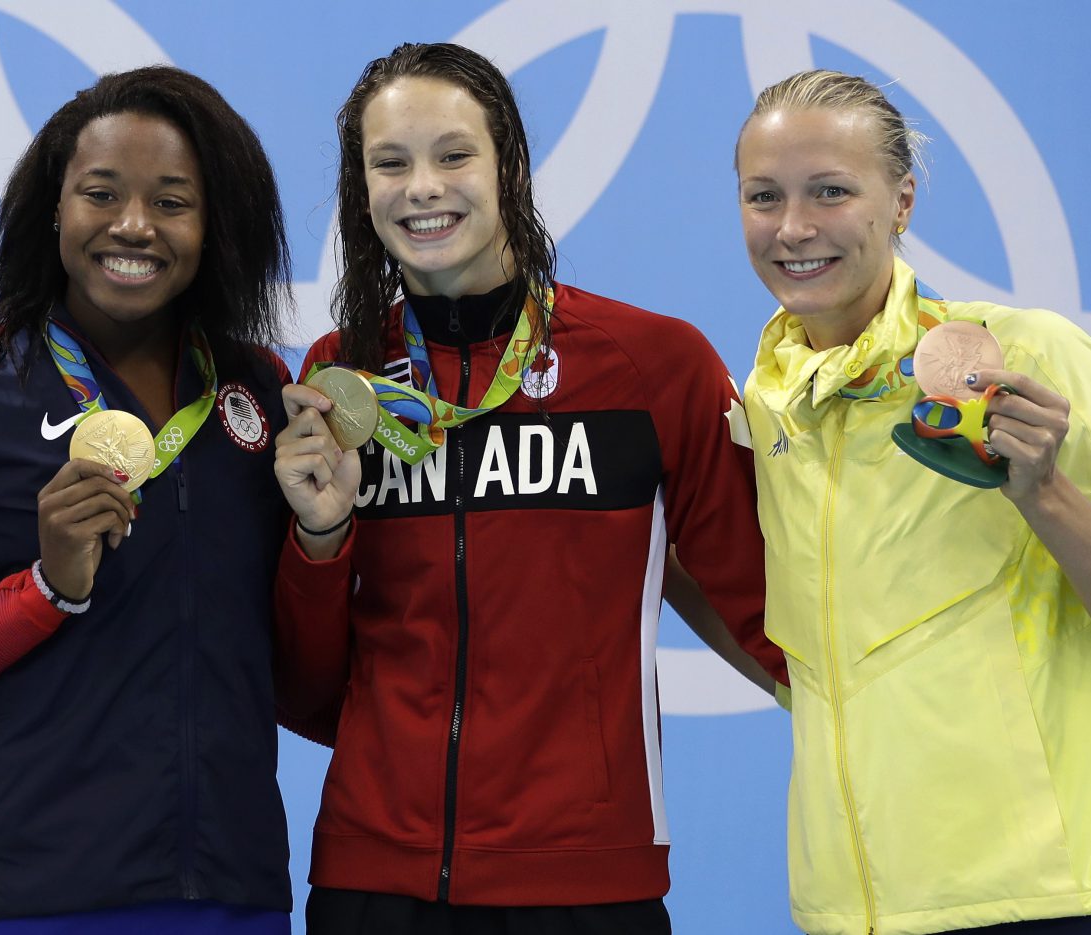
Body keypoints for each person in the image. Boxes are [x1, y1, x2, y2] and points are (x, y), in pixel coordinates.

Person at [269, 41, 787, 935]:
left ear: (510, 162)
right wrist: (319, 539)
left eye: (453, 154)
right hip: (371, 880)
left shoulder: (649, 365)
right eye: (390, 163)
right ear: (361, 190)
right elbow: (311, 686)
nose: (421, 186)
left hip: (583, 881)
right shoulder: (340, 376)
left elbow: (771, 610)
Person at [0, 66, 304, 934]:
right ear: (54, 209)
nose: (133, 225)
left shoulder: (259, 393)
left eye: (172, 201)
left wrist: (328, 537)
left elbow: (298, 674)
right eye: (101, 193)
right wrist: (44, 590)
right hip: (32, 902)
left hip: (236, 899)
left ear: (213, 227)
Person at [735, 69, 1091, 934]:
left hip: (1046, 900)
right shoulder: (766, 404)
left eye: (831, 191)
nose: (793, 228)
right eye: (763, 196)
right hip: (846, 912)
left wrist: (1044, 492)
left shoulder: (1025, 357)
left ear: (900, 202)